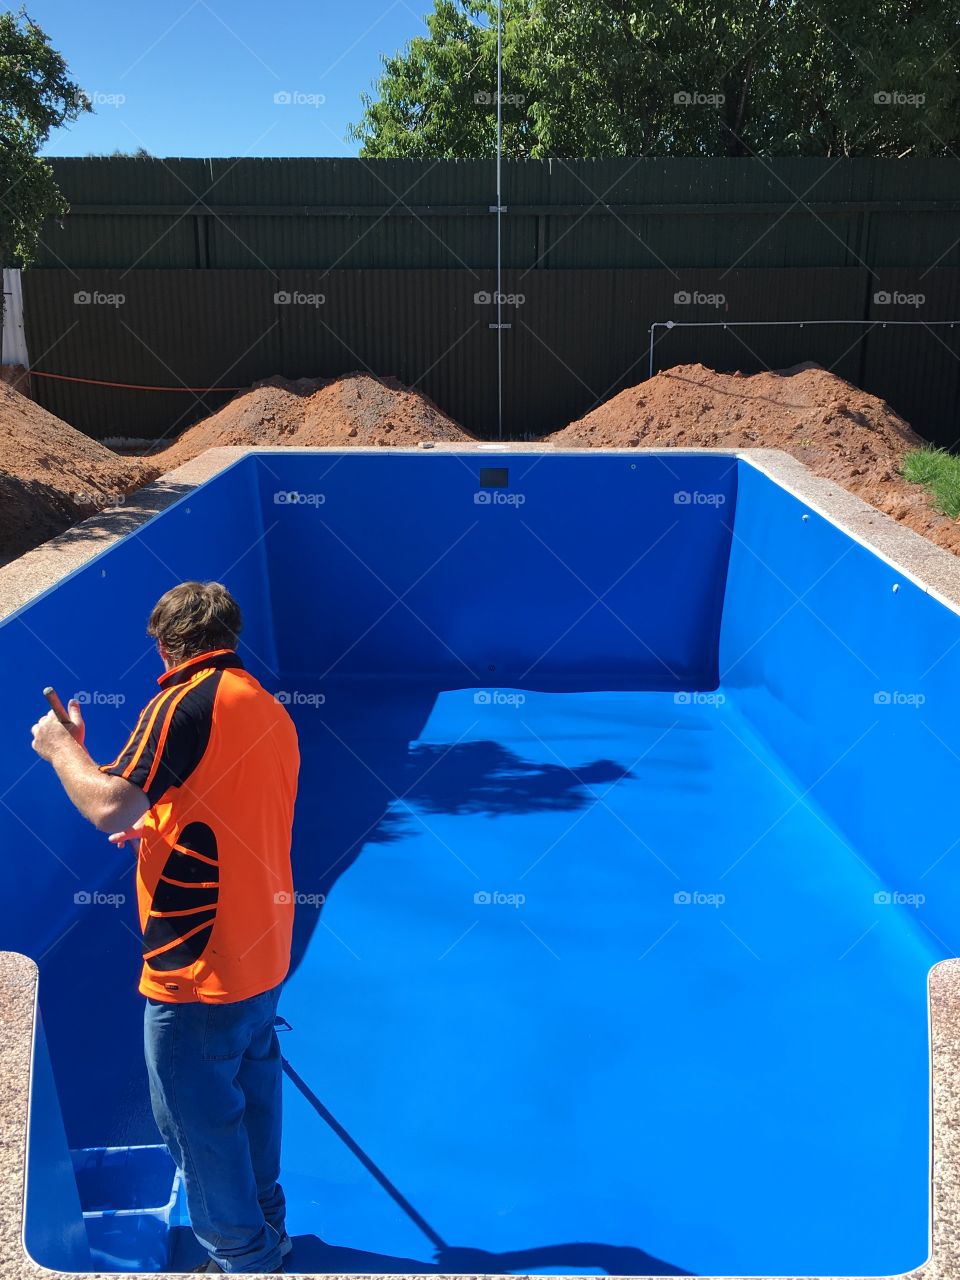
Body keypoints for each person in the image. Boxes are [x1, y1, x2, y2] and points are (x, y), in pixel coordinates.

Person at [31, 581, 301, 1274]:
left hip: (196, 966)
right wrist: (152, 823)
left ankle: (244, 1260)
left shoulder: (180, 701)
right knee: (250, 1100)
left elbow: (110, 810)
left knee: (197, 1126)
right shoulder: (267, 709)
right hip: (260, 954)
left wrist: (64, 750)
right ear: (230, 636)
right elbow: (216, 808)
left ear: (163, 643)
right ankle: (268, 1230)